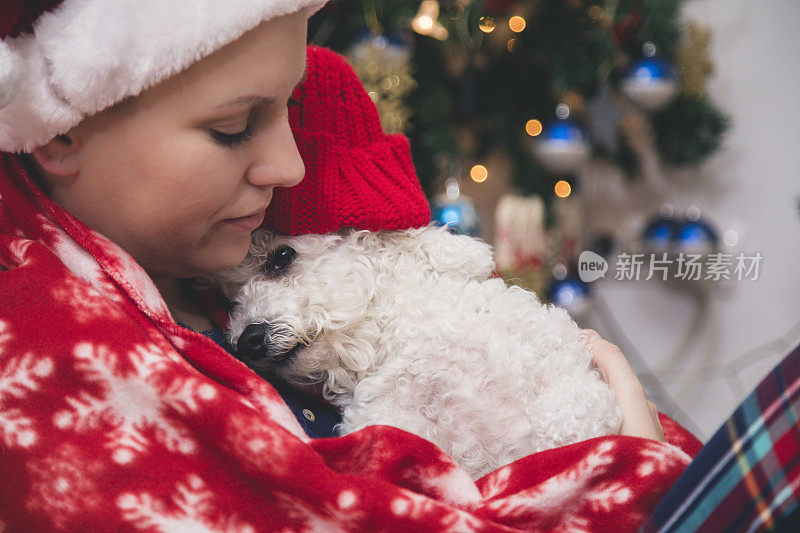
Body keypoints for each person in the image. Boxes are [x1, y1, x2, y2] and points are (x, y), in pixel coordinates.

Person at [0, 1, 694, 530]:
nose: (289, 166)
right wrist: (628, 478)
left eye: (291, 114)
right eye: (234, 127)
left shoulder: (201, 264)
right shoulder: (47, 353)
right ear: (64, 125)